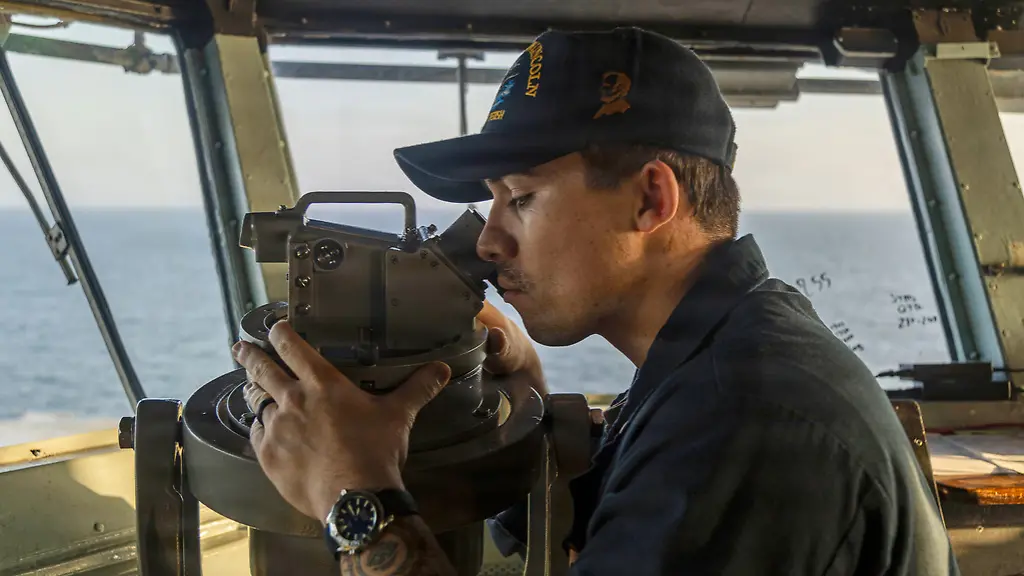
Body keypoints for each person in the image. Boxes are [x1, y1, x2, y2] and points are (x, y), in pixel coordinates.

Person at [233, 26, 958, 575]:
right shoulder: (720, 353)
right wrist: (529, 397)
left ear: (650, 200)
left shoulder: (745, 419)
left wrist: (356, 499)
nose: (487, 242)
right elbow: (599, 524)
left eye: (521, 198)